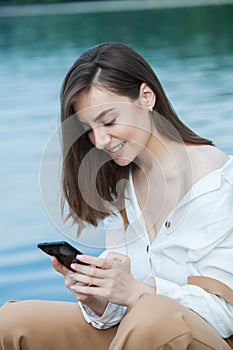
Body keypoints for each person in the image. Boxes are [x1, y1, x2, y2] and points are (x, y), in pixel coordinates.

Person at [0, 42, 232, 350]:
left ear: (146, 97)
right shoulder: (124, 186)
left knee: (153, 316)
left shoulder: (218, 182)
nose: (99, 141)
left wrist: (137, 292)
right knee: (14, 322)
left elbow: (224, 315)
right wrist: (97, 295)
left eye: (108, 121)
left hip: (205, 338)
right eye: (88, 129)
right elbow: (117, 311)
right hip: (138, 334)